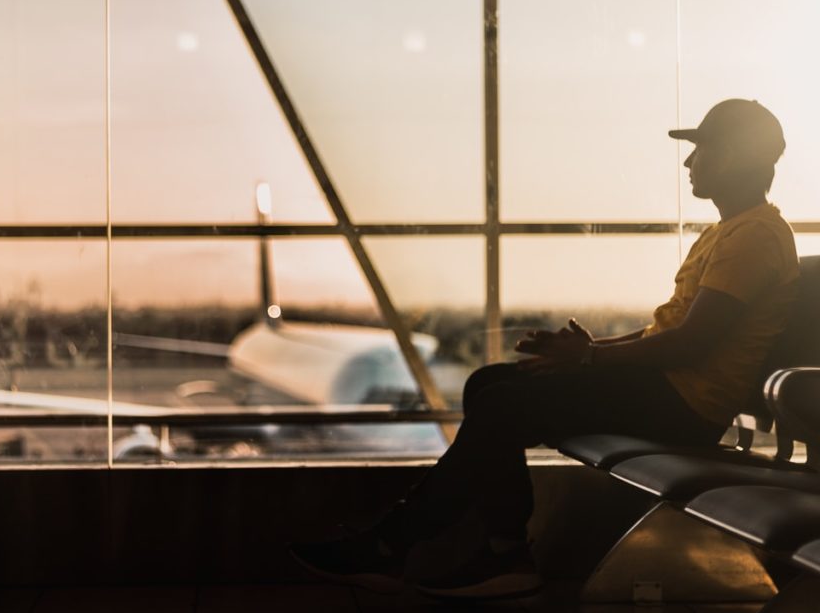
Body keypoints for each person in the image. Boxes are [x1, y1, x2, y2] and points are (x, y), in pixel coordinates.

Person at [290, 99, 800, 599]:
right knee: (489, 382)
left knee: (502, 402)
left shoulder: (754, 236)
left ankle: (397, 544)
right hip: (667, 390)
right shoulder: (729, 231)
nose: (690, 162)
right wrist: (587, 350)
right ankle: (501, 551)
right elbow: (667, 332)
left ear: (733, 154)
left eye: (702, 148)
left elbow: (691, 344)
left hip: (685, 406)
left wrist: (591, 360)